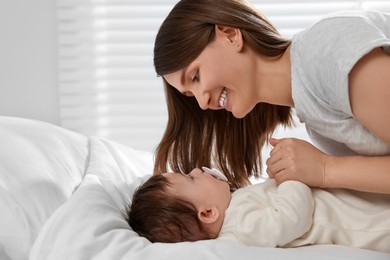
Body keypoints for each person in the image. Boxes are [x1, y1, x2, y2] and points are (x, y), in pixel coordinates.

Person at [152, 0, 390, 193]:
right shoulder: (313, 110)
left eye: (195, 76)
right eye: (190, 95)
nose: (202, 103)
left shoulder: (324, 52)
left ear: (229, 35)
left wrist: (325, 170)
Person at [125, 168, 390, 252]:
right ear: (208, 213)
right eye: (191, 178)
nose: (196, 169)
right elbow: (290, 219)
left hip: (353, 202)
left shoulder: (236, 206)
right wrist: (292, 177)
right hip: (367, 223)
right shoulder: (241, 229)